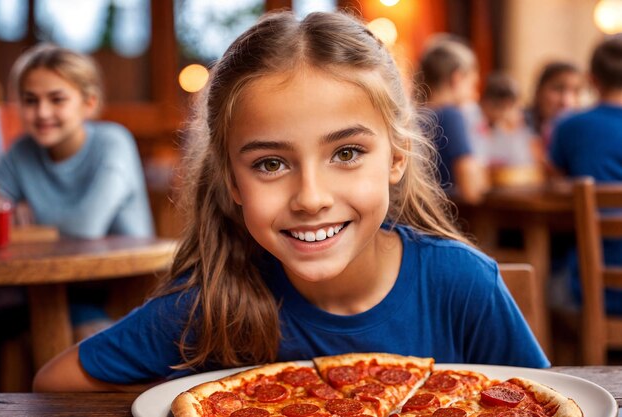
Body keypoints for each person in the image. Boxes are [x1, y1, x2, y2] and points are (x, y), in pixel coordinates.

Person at [33, 11, 548, 393]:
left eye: (346, 153)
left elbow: (540, 400)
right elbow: (54, 384)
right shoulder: (209, 305)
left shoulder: (462, 284)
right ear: (232, 182)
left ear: (396, 158)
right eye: (270, 164)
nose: (310, 198)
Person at [0, 43, 155, 338]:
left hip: (123, 293)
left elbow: (86, 226)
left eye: (57, 99)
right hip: (48, 287)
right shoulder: (21, 152)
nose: (42, 112)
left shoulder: (113, 142)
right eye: (30, 100)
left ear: (89, 103)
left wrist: (34, 228)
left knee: (69, 324)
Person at [549, 34, 622, 315]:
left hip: (591, 289)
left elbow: (554, 180)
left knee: (551, 281)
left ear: (591, 79)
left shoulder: (569, 126)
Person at [417, 35, 489, 204]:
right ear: (457, 79)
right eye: (472, 84)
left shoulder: (416, 116)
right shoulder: (451, 115)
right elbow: (471, 189)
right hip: (445, 219)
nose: (475, 93)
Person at [477, 72, 542, 186]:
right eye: (498, 107)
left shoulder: (524, 133)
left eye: (512, 107)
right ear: (484, 104)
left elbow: (534, 167)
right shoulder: (478, 128)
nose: (505, 114)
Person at [524, 61, 582, 153]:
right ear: (538, 92)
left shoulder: (581, 132)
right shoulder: (519, 125)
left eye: (575, 91)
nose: (566, 102)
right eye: (558, 89)